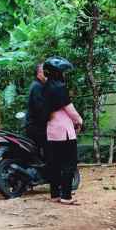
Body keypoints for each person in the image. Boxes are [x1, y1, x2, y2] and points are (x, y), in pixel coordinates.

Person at [43, 56, 82, 205]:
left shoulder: (45, 87)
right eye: (62, 72)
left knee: (55, 164)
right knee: (69, 164)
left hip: (51, 130)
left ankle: (55, 195)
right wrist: (79, 120)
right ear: (58, 72)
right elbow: (69, 109)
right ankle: (66, 196)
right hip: (64, 131)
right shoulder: (59, 87)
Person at [25, 63, 47, 151]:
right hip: (36, 127)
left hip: (35, 126)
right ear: (39, 73)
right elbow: (40, 108)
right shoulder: (37, 86)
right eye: (45, 72)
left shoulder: (38, 85)